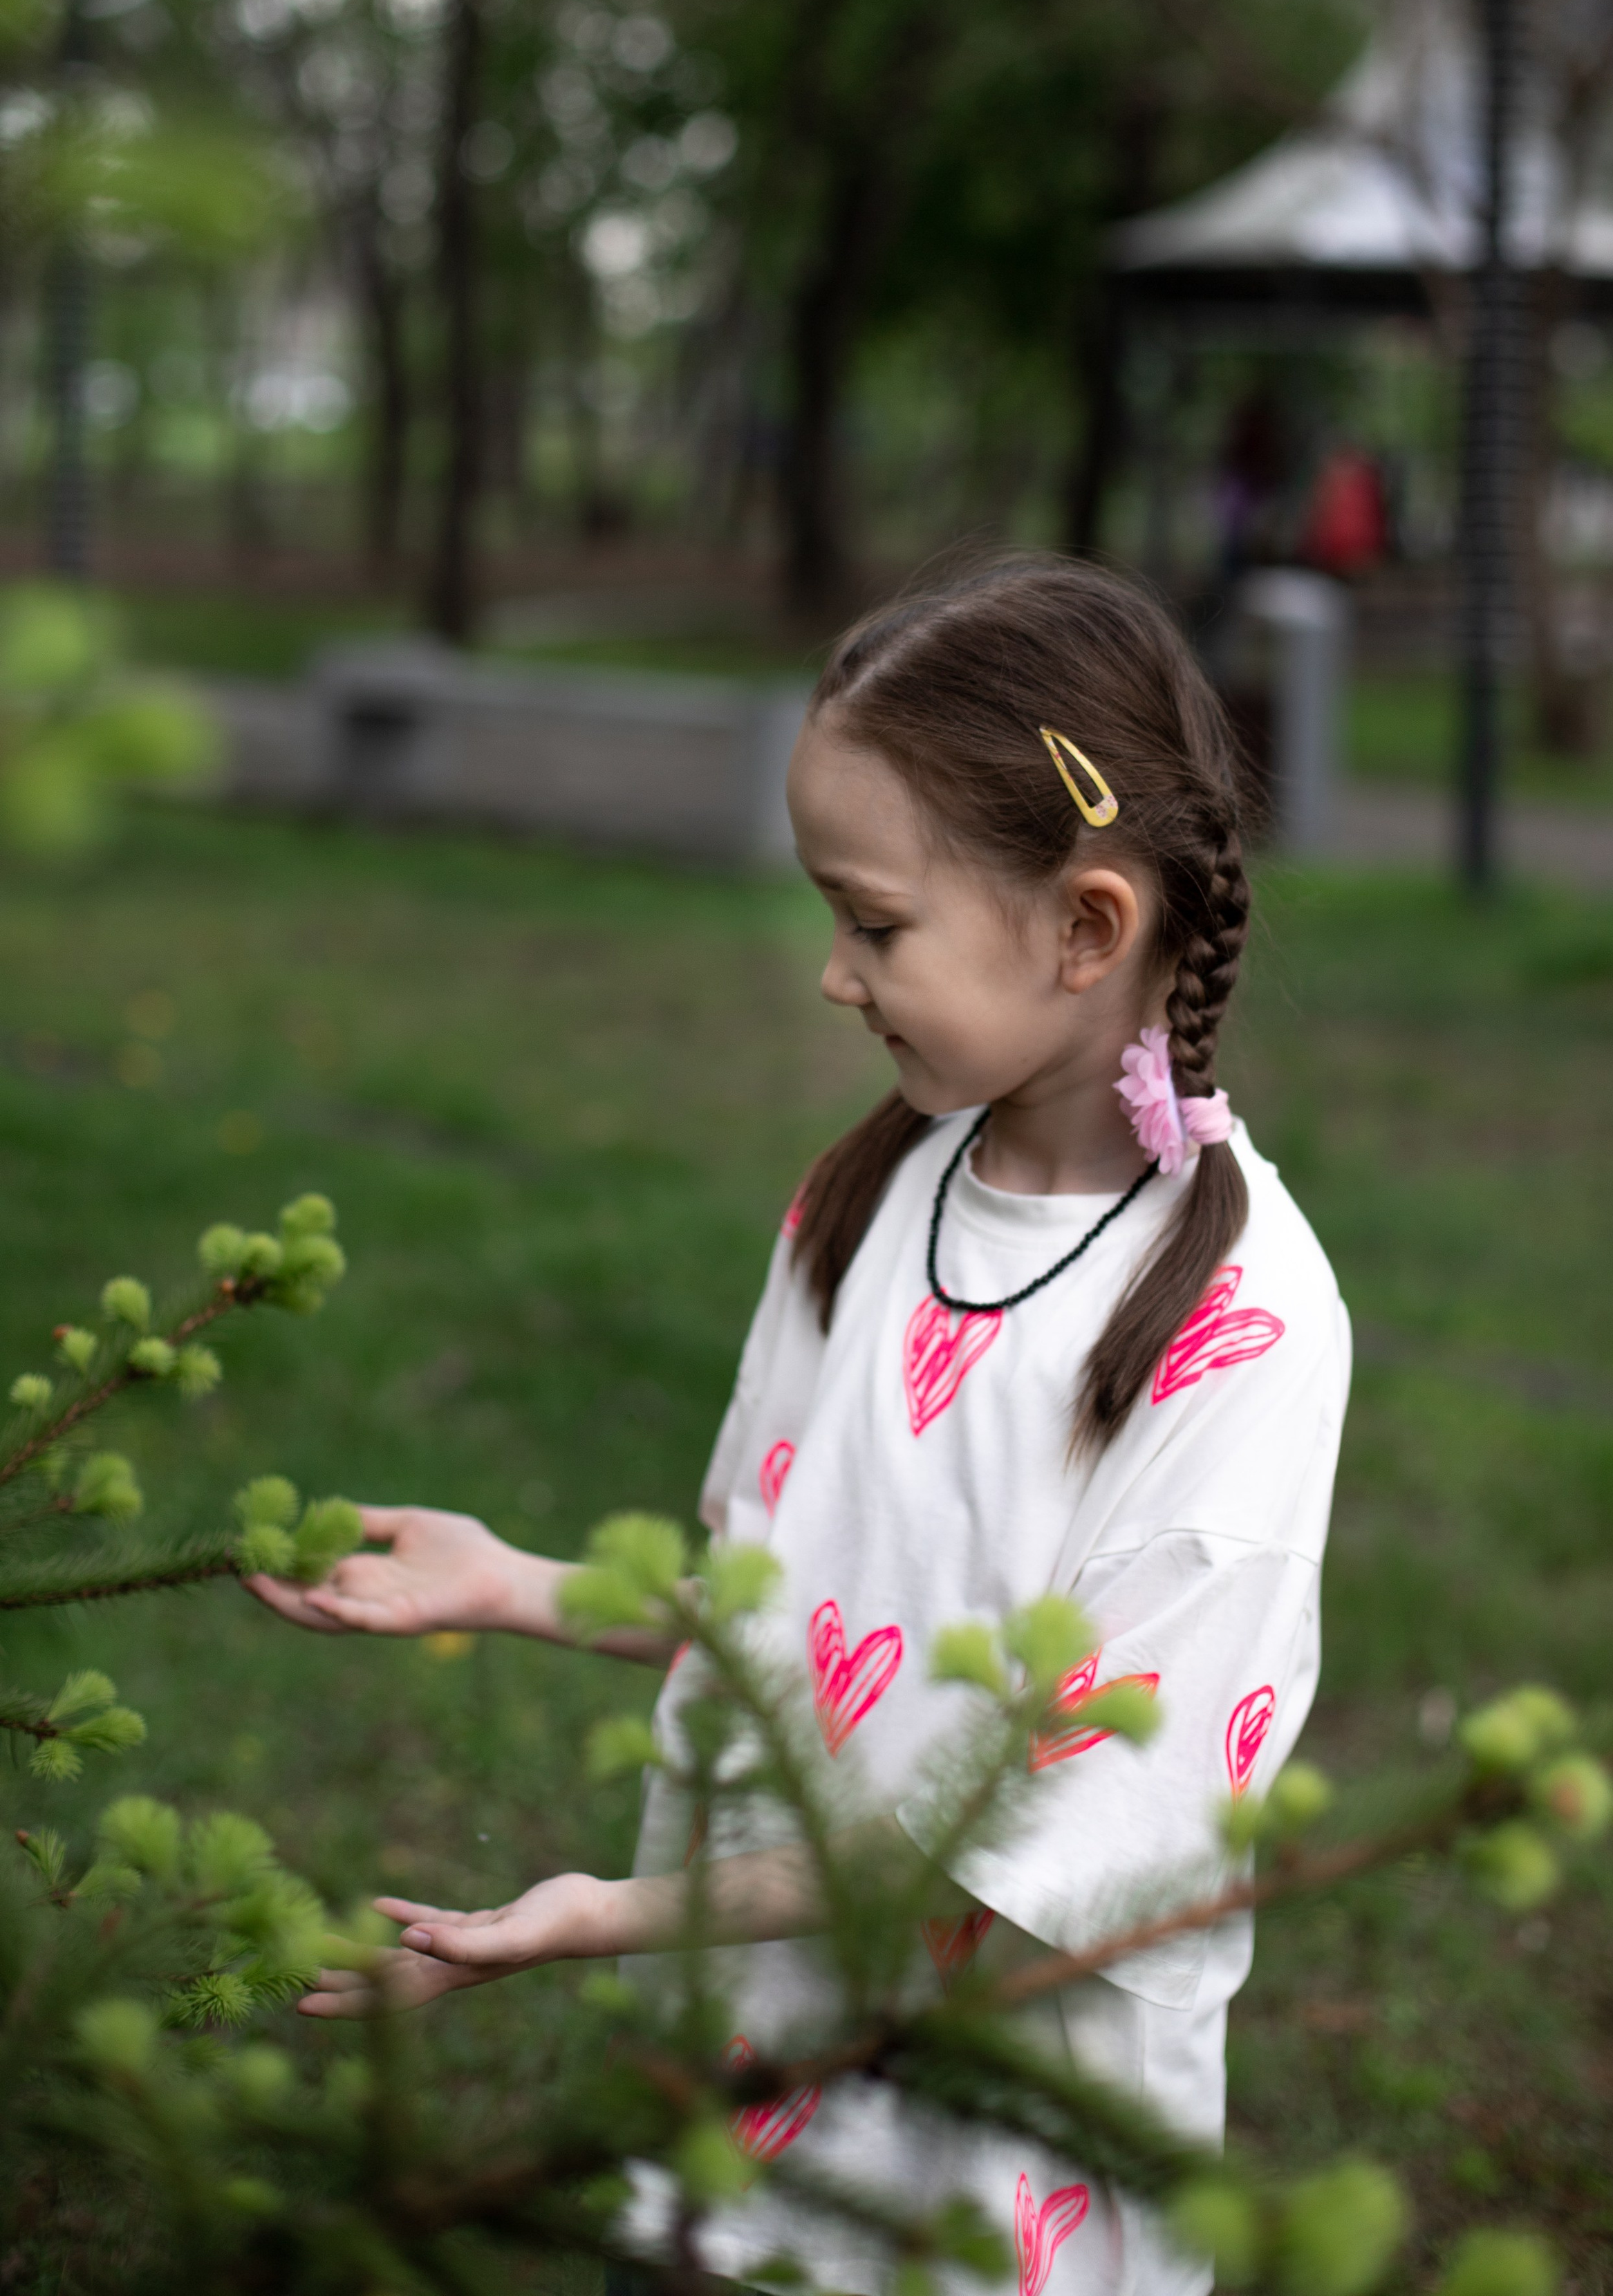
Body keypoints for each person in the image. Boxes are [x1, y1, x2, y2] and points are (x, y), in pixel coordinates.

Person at [249, 556, 1350, 2296]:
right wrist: (513, 1583)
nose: (835, 976)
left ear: (1085, 924)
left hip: (983, 2197)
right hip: (738, 2128)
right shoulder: (865, 1203)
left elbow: (1034, 1850)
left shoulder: (1240, 1336)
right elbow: (798, 1629)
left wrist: (609, 1917)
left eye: (875, 921)